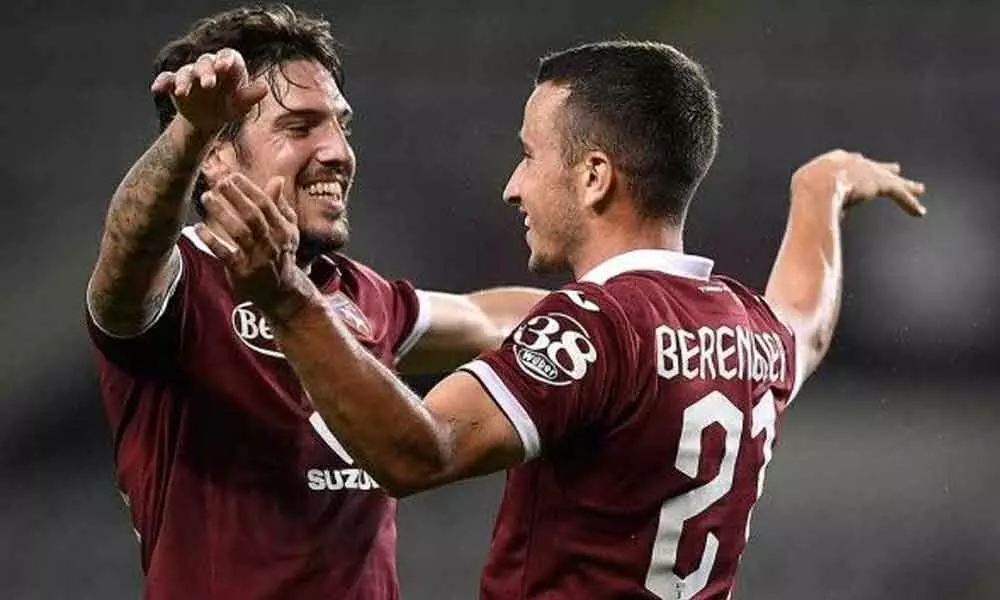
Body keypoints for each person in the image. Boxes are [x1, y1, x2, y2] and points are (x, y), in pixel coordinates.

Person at [197, 41, 927, 599]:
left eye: (528, 155)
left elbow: (416, 453)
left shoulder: (592, 326)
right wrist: (819, 190)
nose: (513, 186)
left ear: (594, 176)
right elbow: (809, 322)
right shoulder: (746, 326)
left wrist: (286, 297)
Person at [85, 5, 546, 599]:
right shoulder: (179, 288)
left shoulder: (359, 296)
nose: (338, 152)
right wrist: (188, 131)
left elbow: (490, 318)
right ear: (217, 154)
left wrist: (639, 301)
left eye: (340, 125)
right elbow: (124, 257)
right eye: (301, 128)